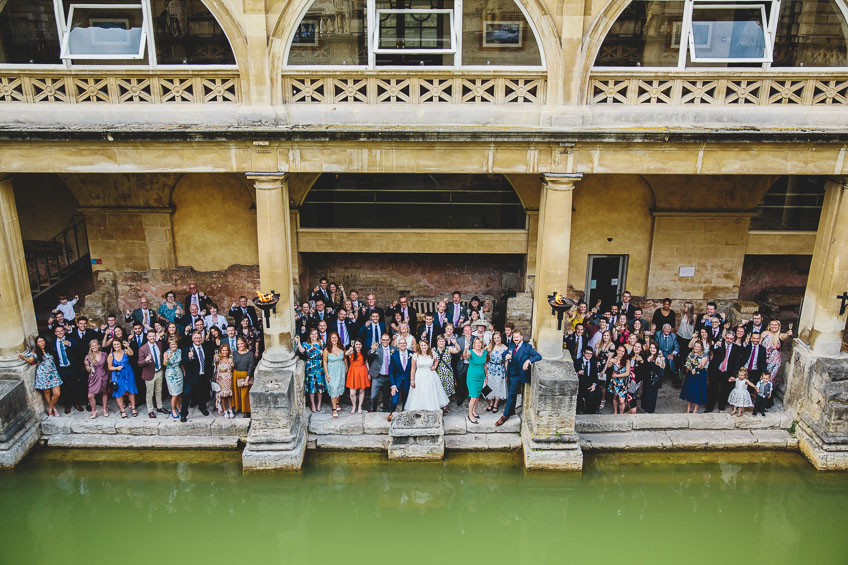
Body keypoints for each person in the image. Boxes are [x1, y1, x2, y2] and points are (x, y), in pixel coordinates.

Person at [496, 330, 541, 426]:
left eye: (517, 337)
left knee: (512, 394)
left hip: (518, 375)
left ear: (521, 337)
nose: (515, 339)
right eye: (514, 337)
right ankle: (511, 410)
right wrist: (506, 355)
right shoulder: (512, 345)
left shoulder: (527, 347)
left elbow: (538, 356)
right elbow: (504, 354)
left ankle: (505, 415)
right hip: (510, 374)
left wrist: (528, 361)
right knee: (510, 394)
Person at [20, 336, 62, 417]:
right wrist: (23, 357)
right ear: (37, 343)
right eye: (39, 342)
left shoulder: (50, 349)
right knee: (47, 392)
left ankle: (50, 407)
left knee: (57, 393)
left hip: (53, 373)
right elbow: (30, 360)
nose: (41, 343)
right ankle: (53, 409)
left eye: (42, 341)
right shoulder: (35, 352)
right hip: (43, 374)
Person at [405, 340, 450, 413]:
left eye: (425, 345)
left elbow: (436, 361)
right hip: (419, 376)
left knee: (430, 392)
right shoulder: (415, 355)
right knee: (420, 393)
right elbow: (413, 369)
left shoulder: (433, 353)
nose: (423, 347)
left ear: (428, 346)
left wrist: (434, 366)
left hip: (431, 375)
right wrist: (412, 380)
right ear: (419, 346)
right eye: (422, 345)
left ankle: (431, 408)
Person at [706, 330, 742, 413]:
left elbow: (737, 363)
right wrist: (715, 345)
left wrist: (733, 375)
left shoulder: (736, 348)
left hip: (727, 372)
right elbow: (711, 349)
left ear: (733, 339)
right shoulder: (719, 344)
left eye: (731, 338)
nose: (729, 340)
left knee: (724, 390)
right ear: (725, 337)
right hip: (716, 370)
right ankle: (709, 407)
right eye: (727, 338)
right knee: (712, 389)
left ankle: (721, 406)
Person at [180, 331, 211, 422]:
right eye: (196, 338)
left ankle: (203, 408)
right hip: (191, 377)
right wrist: (189, 358)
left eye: (199, 338)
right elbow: (183, 362)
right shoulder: (187, 349)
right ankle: (184, 413)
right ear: (192, 339)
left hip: (203, 375)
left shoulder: (205, 348)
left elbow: (208, 362)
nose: (198, 339)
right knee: (186, 395)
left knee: (203, 393)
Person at [761, 320, 792, 407]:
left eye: (776, 325)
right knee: (761, 378)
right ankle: (759, 399)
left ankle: (766, 402)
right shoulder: (765, 333)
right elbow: (760, 344)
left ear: (778, 326)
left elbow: (785, 337)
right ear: (769, 325)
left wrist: (788, 334)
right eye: (772, 324)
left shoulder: (780, 335)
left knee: (769, 380)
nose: (774, 326)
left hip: (774, 361)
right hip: (764, 359)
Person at [137, 331, 168, 418]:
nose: (152, 338)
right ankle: (150, 410)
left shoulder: (159, 344)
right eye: (150, 336)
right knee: (150, 393)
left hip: (159, 371)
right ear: (147, 337)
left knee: (159, 391)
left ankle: (159, 407)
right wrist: (146, 360)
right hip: (149, 373)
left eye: (153, 336)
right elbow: (139, 363)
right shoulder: (143, 348)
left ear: (155, 336)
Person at [54, 325, 83, 413]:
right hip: (62, 368)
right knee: (65, 387)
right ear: (55, 333)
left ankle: (77, 403)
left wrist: (69, 344)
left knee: (75, 385)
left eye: (61, 331)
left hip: (72, 367)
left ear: (64, 331)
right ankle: (67, 405)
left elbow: (78, 347)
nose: (60, 333)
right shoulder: (53, 342)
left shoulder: (71, 338)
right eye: (58, 331)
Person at [296, 328, 326, 413]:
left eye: (315, 334)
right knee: (311, 386)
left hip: (319, 366)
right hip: (310, 366)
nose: (314, 336)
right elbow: (301, 351)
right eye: (312, 334)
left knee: (319, 385)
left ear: (317, 334)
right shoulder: (306, 344)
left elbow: (325, 354)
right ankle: (313, 404)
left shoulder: (322, 343)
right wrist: (298, 342)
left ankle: (319, 403)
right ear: (309, 335)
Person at [108, 339, 138, 418]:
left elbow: (132, 353)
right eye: (114, 345)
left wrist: (127, 346)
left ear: (121, 344)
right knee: (119, 392)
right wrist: (116, 368)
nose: (116, 346)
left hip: (128, 373)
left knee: (131, 390)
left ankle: (133, 407)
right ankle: (122, 410)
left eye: (118, 344)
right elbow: (109, 367)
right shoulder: (111, 355)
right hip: (117, 375)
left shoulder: (125, 352)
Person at [463, 337, 488, 423]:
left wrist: (486, 376)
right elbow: (465, 355)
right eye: (476, 343)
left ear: (481, 344)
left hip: (481, 377)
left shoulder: (484, 352)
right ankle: (470, 414)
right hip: (472, 377)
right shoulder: (470, 352)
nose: (478, 344)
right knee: (473, 396)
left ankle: (474, 410)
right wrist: (465, 349)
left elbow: (484, 365)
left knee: (477, 395)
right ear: (474, 344)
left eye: (479, 343)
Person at [366, 333, 393, 414]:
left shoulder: (393, 349)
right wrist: (373, 349)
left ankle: (386, 411)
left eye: (387, 340)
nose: (385, 341)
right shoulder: (377, 348)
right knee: (373, 396)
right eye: (383, 340)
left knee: (386, 396)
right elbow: (369, 354)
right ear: (381, 340)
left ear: (389, 340)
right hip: (377, 376)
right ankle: (372, 410)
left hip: (388, 376)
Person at [387, 338, 412, 422]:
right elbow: (391, 371)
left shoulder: (412, 354)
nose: (402, 345)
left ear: (406, 344)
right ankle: (392, 413)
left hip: (408, 381)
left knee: (406, 399)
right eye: (400, 343)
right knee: (394, 400)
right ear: (398, 345)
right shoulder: (394, 355)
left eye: (404, 343)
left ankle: (404, 415)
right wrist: (393, 385)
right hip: (397, 381)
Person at [680, 340, 709, 414]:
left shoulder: (704, 355)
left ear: (701, 348)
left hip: (700, 375)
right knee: (690, 390)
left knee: (697, 391)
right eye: (695, 346)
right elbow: (687, 364)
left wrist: (695, 368)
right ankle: (689, 408)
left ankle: (695, 409)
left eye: (698, 347)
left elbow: (702, 366)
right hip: (691, 374)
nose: (696, 348)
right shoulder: (690, 354)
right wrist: (690, 368)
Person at [83, 340, 109, 418]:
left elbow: (107, 365)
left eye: (96, 345)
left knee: (104, 392)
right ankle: (94, 410)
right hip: (93, 376)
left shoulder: (104, 354)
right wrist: (87, 365)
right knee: (90, 395)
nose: (94, 347)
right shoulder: (88, 356)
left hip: (103, 375)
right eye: (92, 346)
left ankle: (104, 409)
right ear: (90, 347)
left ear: (98, 346)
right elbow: (88, 370)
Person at [324, 332, 347, 418]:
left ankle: (337, 403)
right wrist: (327, 374)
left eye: (335, 337)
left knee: (340, 387)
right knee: (333, 388)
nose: (334, 339)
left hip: (341, 369)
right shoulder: (327, 349)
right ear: (330, 339)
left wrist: (346, 368)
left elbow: (344, 358)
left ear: (338, 338)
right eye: (332, 338)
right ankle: (334, 409)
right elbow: (325, 362)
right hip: (332, 370)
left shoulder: (342, 348)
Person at [485, 331, 508, 413]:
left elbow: (506, 361)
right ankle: (491, 402)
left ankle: (496, 404)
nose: (497, 339)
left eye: (498, 337)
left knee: (498, 386)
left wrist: (506, 372)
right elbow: (484, 356)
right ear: (493, 339)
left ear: (501, 338)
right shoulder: (490, 346)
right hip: (490, 368)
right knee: (490, 385)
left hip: (499, 369)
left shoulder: (505, 348)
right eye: (495, 338)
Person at [232, 336, 255, 417]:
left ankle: (246, 411)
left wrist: (246, 380)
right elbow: (233, 365)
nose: (240, 346)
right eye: (238, 344)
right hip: (236, 374)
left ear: (245, 343)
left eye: (241, 343)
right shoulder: (234, 353)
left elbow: (250, 367)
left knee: (244, 395)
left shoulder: (250, 354)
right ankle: (238, 408)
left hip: (245, 375)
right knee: (237, 393)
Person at [345, 338, 370, 414]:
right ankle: (354, 406)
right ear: (354, 345)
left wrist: (368, 373)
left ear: (362, 345)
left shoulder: (363, 352)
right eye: (357, 344)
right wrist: (350, 349)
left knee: (361, 391)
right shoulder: (351, 352)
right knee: (352, 392)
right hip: (353, 371)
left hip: (362, 371)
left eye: (360, 344)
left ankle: (360, 406)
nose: (358, 346)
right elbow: (345, 354)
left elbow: (366, 362)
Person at [604, 344, 629, 415]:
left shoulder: (627, 361)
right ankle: (615, 412)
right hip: (615, 382)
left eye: (623, 351)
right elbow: (608, 366)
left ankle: (621, 413)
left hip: (623, 382)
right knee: (615, 397)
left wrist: (617, 375)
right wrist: (610, 361)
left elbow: (627, 373)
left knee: (622, 400)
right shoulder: (614, 359)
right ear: (617, 351)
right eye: (620, 350)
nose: (621, 352)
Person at [434, 333, 459, 401]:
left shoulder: (449, 349)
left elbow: (457, 350)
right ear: (437, 342)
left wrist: (455, 344)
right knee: (439, 389)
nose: (441, 343)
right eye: (440, 341)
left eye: (443, 341)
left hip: (447, 372)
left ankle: (445, 405)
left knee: (447, 390)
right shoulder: (433, 350)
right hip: (437, 372)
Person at [642, 341, 665, 414]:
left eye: (654, 348)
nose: (652, 349)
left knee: (651, 396)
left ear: (657, 349)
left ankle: (649, 412)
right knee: (645, 395)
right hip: (646, 379)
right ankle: (646, 410)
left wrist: (662, 361)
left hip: (653, 381)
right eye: (651, 348)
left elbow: (662, 369)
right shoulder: (648, 356)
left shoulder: (658, 358)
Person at [594, 329, 615, 410]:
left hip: (605, 367)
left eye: (607, 335)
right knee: (597, 383)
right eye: (604, 335)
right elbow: (596, 355)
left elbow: (609, 359)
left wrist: (604, 370)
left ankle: (603, 399)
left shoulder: (612, 345)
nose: (605, 337)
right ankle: (597, 399)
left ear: (610, 337)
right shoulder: (600, 343)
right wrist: (596, 349)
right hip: (598, 365)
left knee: (603, 386)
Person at [575, 347, 600, 414]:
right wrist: (578, 373)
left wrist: (594, 385)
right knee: (580, 396)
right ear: (583, 353)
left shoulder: (593, 362)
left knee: (596, 395)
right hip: (581, 384)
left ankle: (591, 412)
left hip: (590, 383)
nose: (589, 355)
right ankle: (580, 410)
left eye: (591, 354)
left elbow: (595, 376)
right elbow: (572, 375)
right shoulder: (577, 362)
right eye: (587, 353)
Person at [163, 337, 183, 419]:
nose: (173, 345)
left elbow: (181, 363)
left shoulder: (179, 351)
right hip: (171, 375)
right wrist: (168, 357)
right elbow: (164, 364)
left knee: (179, 393)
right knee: (174, 394)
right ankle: (173, 410)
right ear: (169, 345)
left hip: (179, 373)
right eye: (172, 344)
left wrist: (184, 371)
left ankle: (178, 407)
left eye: (175, 344)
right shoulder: (166, 353)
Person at [455, 323, 474, 406]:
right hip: (462, 363)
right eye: (466, 330)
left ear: (472, 331)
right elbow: (455, 352)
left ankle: (471, 396)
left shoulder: (475, 339)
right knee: (461, 381)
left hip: (472, 364)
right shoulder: (459, 340)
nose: (467, 332)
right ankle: (461, 396)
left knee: (471, 381)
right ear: (463, 332)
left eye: (469, 330)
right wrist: (461, 356)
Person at [676, 301, 695, 386]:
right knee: (680, 354)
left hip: (688, 338)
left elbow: (693, 327)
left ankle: (686, 371)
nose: (684, 308)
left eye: (686, 307)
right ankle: (679, 374)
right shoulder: (683, 315)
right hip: (680, 337)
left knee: (687, 355)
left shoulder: (694, 316)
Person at [215, 344, 235, 419]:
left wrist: (231, 363)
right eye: (223, 350)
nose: (225, 352)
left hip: (229, 379)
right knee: (223, 396)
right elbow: (216, 365)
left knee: (229, 395)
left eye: (226, 350)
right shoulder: (218, 359)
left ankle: (230, 409)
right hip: (221, 380)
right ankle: (225, 410)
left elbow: (232, 369)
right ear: (221, 351)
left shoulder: (230, 359)